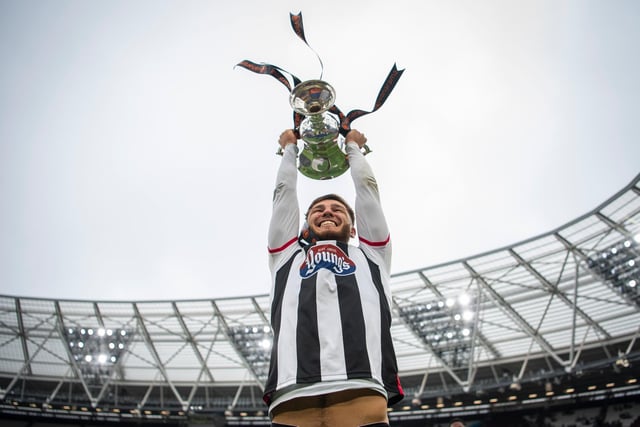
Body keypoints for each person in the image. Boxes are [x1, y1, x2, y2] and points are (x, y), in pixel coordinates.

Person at [264, 128, 404, 427]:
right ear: (305, 226)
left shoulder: (373, 256)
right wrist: (289, 149)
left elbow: (368, 192)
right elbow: (283, 194)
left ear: (353, 228)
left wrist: (353, 146)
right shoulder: (285, 257)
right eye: (319, 209)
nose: (328, 211)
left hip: (361, 388)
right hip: (290, 394)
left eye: (338, 209)